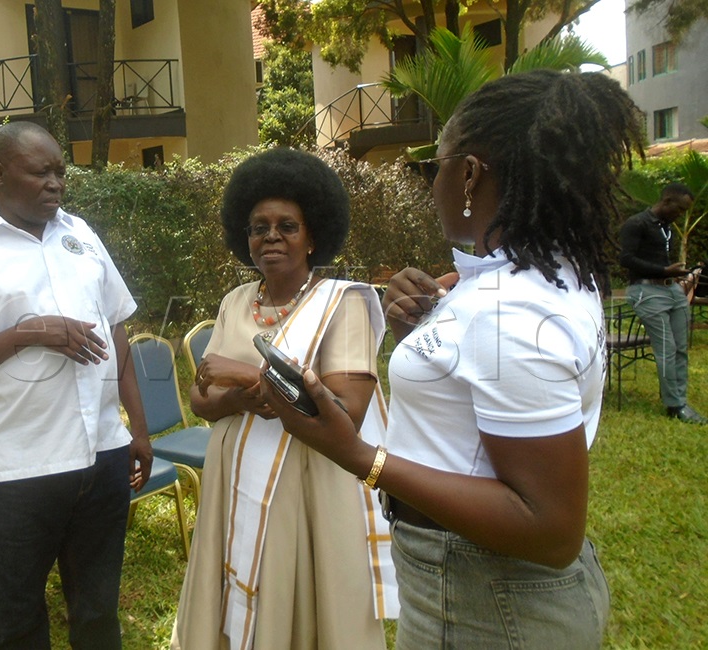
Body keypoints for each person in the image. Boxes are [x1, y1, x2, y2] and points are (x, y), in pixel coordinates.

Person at [260, 70, 641, 648]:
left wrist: (359, 455)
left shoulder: (507, 314)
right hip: (482, 586)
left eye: (432, 164)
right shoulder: (546, 274)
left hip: (484, 599)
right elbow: (481, 368)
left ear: (467, 173)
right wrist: (429, 318)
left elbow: (550, 528)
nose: (428, 180)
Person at [0, 121, 152, 650]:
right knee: (19, 625)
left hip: (102, 458)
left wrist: (135, 427)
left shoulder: (81, 235)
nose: (56, 183)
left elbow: (117, 331)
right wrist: (26, 334)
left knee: (97, 615)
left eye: (60, 172)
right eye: (40, 172)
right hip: (20, 472)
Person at [173, 148, 398, 650]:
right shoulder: (235, 301)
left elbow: (346, 412)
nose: (270, 235)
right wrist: (241, 397)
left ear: (313, 234)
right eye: (258, 226)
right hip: (232, 473)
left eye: (286, 225)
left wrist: (243, 376)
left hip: (306, 482)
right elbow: (200, 398)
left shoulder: (346, 304)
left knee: (302, 605)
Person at [618, 183, 706, 423]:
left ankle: (679, 398)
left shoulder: (666, 227)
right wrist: (663, 270)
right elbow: (625, 259)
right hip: (646, 291)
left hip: (672, 291)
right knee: (666, 349)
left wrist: (677, 273)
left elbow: (662, 262)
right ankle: (676, 406)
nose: (681, 215)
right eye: (679, 209)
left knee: (680, 348)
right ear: (666, 201)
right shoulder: (636, 223)